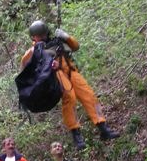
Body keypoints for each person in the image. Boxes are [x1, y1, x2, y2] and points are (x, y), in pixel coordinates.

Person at [22, 20, 119, 150]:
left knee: (89, 95)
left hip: (71, 71)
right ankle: (76, 134)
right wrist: (46, 65)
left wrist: (66, 37)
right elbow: (25, 66)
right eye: (38, 36)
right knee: (70, 97)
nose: (42, 37)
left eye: (43, 34)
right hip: (56, 74)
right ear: (33, 37)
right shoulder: (33, 51)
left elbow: (75, 46)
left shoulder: (57, 40)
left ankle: (103, 127)